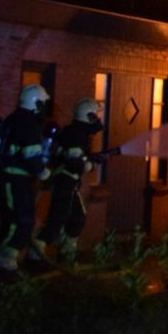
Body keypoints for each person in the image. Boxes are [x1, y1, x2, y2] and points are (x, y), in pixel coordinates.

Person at [0, 83, 51, 280]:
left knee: (11, 221)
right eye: (43, 104)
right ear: (37, 104)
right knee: (22, 221)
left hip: (10, 178)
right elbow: (32, 155)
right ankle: (3, 262)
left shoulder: (14, 119)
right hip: (15, 180)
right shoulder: (28, 124)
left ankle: (6, 266)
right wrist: (43, 173)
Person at [35, 97, 104, 262]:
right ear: (89, 116)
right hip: (65, 181)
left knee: (77, 217)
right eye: (96, 115)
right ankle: (36, 254)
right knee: (58, 218)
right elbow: (74, 163)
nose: (99, 120)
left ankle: (66, 253)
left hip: (69, 183)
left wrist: (91, 160)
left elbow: (77, 157)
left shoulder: (77, 132)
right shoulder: (76, 134)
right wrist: (89, 165)